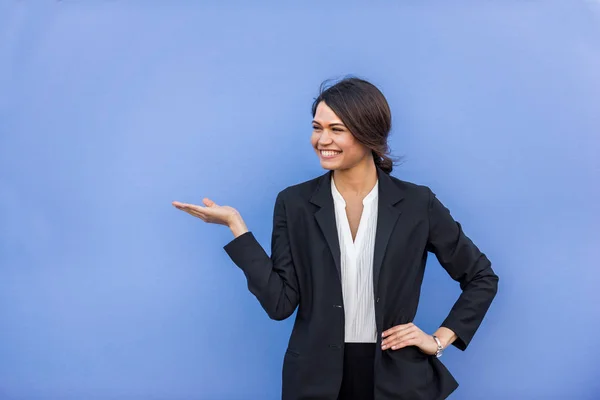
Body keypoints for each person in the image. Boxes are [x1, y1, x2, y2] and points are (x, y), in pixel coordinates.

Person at [172, 77, 499, 400]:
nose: (322, 140)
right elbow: (280, 304)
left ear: (368, 133)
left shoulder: (417, 204)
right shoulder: (294, 203)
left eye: (336, 129)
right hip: (316, 379)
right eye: (317, 128)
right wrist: (236, 226)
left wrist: (440, 340)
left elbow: (482, 277)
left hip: (397, 379)